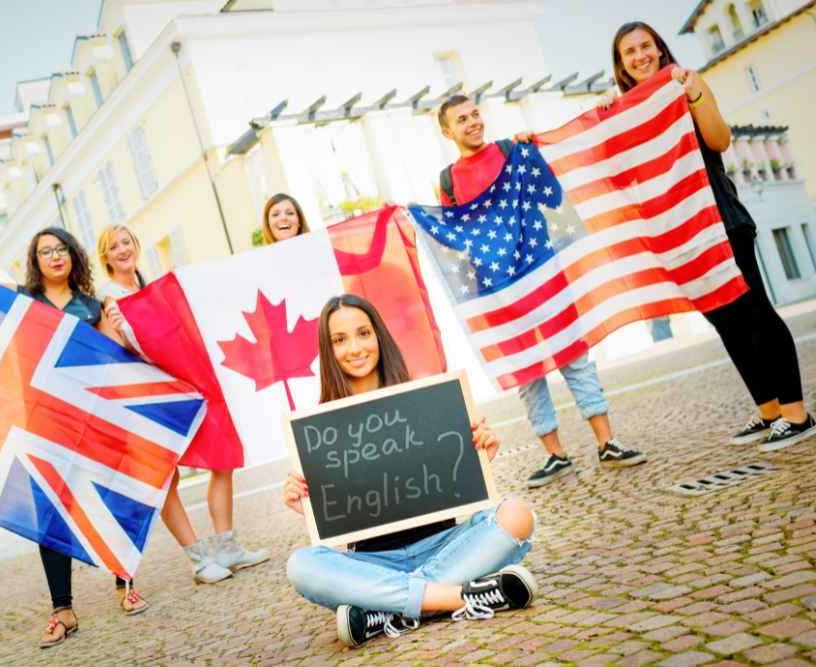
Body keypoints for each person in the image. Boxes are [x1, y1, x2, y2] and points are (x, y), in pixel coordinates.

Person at [602, 22, 814, 451]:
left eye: (646, 46)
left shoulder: (688, 84)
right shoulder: (627, 111)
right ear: (621, 64)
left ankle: (797, 414)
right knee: (729, 327)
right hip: (681, 236)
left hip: (722, 221)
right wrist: (608, 116)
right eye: (630, 52)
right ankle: (769, 412)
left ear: (661, 50)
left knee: (755, 314)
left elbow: (719, 139)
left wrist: (693, 92)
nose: (640, 55)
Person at [283, 294, 538, 647]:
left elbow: (456, 473)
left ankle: (387, 611)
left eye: (363, 333)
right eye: (339, 340)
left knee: (518, 515)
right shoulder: (318, 428)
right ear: (328, 351)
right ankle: (457, 598)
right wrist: (306, 504)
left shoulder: (427, 400)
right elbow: (335, 520)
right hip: (375, 563)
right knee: (302, 565)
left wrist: (480, 455)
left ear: (379, 337)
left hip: (446, 546)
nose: (354, 348)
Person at [437, 95, 647, 488]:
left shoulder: (512, 151)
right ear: (448, 131)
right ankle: (555, 455)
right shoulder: (448, 180)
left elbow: (550, 197)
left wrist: (533, 155)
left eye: (475, 114)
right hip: (499, 291)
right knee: (527, 373)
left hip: (542, 271)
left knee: (575, 355)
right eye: (462, 120)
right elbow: (454, 235)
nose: (472, 123)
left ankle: (608, 442)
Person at [97, 224, 270, 585]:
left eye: (127, 242)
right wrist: (121, 327)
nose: (123, 250)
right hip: (149, 395)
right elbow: (117, 355)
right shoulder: (110, 299)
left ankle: (226, 546)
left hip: (184, 384)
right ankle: (198, 559)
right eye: (114, 247)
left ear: (137, 245)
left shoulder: (149, 288)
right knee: (166, 476)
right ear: (106, 256)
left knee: (221, 456)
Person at [16, 227, 148, 648]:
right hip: (44, 421)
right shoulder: (22, 301)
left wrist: (117, 329)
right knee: (50, 512)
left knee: (113, 497)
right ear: (36, 262)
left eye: (61, 249)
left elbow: (114, 361)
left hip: (94, 419)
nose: (54, 256)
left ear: (74, 256)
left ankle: (124, 584)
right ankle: (63, 610)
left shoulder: (94, 307)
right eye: (45, 252)